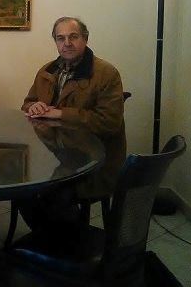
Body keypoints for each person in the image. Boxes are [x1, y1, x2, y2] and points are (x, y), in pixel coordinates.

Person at [18, 16, 126, 232]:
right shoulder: (47, 71)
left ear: (85, 39)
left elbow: (109, 122)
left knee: (54, 193)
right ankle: (48, 238)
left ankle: (66, 241)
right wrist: (34, 107)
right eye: (61, 38)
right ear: (55, 42)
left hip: (93, 163)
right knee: (22, 187)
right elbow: (27, 104)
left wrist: (60, 113)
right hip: (54, 156)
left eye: (73, 37)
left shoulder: (106, 73)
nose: (67, 43)